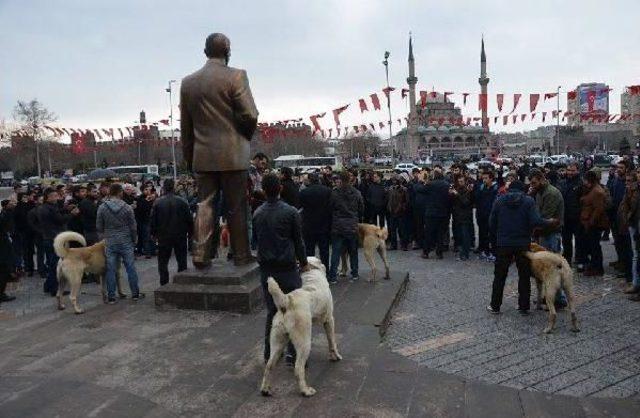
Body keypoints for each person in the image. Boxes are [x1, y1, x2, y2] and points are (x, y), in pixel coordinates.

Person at [181, 32, 258, 268]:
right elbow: (250, 114)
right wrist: (242, 136)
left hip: (202, 156)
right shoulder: (236, 76)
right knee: (236, 208)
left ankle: (201, 255)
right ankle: (242, 255)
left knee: (204, 205)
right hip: (232, 154)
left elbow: (186, 127)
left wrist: (189, 157)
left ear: (205, 52)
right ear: (228, 51)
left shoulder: (188, 82)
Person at [252, 173, 308, 364]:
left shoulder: (258, 213)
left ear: (264, 190)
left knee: (272, 312)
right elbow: (298, 241)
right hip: (287, 268)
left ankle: (270, 352)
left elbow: (256, 242)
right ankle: (294, 353)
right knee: (295, 310)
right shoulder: (291, 212)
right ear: (280, 189)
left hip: (267, 269)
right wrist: (304, 262)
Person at [487, 180, 557, 314]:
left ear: (510, 189)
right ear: (522, 189)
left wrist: (497, 237)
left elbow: (491, 223)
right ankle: (523, 306)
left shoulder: (499, 201)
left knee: (500, 276)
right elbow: (536, 221)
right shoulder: (529, 201)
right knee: (524, 275)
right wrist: (550, 222)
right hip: (523, 244)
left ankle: (495, 305)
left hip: (504, 244)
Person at [96, 183, 143, 304]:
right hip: (125, 240)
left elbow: (99, 226)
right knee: (130, 267)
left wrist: (104, 238)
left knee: (111, 269)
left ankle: (111, 296)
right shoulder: (127, 207)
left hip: (110, 241)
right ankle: (135, 293)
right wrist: (134, 239)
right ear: (120, 192)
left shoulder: (102, 207)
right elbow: (133, 226)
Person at [150, 179, 194, 286]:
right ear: (174, 187)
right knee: (182, 261)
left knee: (163, 262)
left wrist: (153, 234)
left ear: (164, 188)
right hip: (180, 235)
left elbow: (153, 220)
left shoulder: (158, 202)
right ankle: (182, 282)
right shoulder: (182, 201)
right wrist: (191, 233)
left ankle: (164, 283)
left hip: (163, 236)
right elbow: (189, 219)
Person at [37, 188, 79, 296]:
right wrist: (72, 214)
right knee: (56, 264)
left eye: (57, 196)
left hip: (47, 238)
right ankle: (55, 289)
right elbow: (60, 220)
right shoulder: (49, 208)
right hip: (55, 239)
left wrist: (65, 209)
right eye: (54, 196)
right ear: (48, 197)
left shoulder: (44, 207)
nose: (57, 198)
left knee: (52, 263)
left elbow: (57, 214)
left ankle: (48, 286)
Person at [328, 171, 364, 284]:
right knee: (353, 251)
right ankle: (354, 274)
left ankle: (333, 276)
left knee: (336, 252)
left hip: (338, 226)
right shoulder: (356, 192)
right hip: (352, 226)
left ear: (340, 179)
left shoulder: (334, 193)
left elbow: (330, 207)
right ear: (350, 179)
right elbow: (361, 208)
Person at [299, 172, 332, 270]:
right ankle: (326, 270)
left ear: (309, 180)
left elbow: (301, 207)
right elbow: (330, 208)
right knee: (324, 250)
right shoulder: (327, 191)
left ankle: (311, 270)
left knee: (309, 251)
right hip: (324, 224)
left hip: (308, 225)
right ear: (319, 179)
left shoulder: (304, 193)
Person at [580, 171, 610, 276]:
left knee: (595, 247)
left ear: (589, 180)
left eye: (585, 180)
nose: (583, 182)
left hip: (595, 225)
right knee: (593, 246)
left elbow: (598, 210)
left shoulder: (597, 191)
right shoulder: (592, 189)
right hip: (591, 223)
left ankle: (597, 268)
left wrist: (590, 223)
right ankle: (594, 266)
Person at [529, 169, 564, 253]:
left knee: (551, 262)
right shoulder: (539, 192)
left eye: (534, 183)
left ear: (541, 180)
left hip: (551, 233)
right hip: (543, 232)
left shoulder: (551, 193)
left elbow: (545, 216)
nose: (532, 186)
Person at [418, 169, 450, 259]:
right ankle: (439, 253)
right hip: (443, 213)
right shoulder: (446, 184)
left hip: (431, 213)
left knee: (429, 233)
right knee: (440, 234)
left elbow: (420, 190)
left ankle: (426, 252)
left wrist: (421, 181)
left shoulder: (430, 184)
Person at [559, 163, 585, 269]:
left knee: (579, 241)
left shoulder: (581, 183)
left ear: (577, 171)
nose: (570, 172)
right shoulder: (563, 183)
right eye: (568, 170)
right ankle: (567, 260)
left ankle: (580, 260)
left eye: (572, 170)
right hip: (565, 217)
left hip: (577, 217)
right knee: (566, 240)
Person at [475, 171, 498, 261]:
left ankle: (493, 253)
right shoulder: (481, 187)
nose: (484, 180)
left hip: (491, 215)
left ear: (491, 178)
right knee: (483, 234)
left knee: (492, 235)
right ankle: (485, 251)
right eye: (483, 178)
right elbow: (477, 199)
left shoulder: (495, 188)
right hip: (482, 214)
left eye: (486, 178)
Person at [450, 175, 474, 261]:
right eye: (459, 181)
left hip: (465, 216)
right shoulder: (458, 189)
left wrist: (457, 194)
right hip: (457, 216)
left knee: (465, 236)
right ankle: (462, 253)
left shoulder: (467, 191)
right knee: (460, 236)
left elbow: (466, 202)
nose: (460, 183)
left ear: (465, 182)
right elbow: (453, 203)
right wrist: (451, 194)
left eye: (462, 181)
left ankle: (465, 254)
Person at [387, 174, 410, 251]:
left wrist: (402, 208)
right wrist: (389, 207)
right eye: (393, 180)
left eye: (395, 180)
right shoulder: (390, 189)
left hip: (400, 213)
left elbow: (406, 201)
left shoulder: (404, 189)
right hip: (392, 212)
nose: (394, 182)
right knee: (392, 230)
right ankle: (394, 245)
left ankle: (404, 245)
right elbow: (389, 199)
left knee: (402, 230)